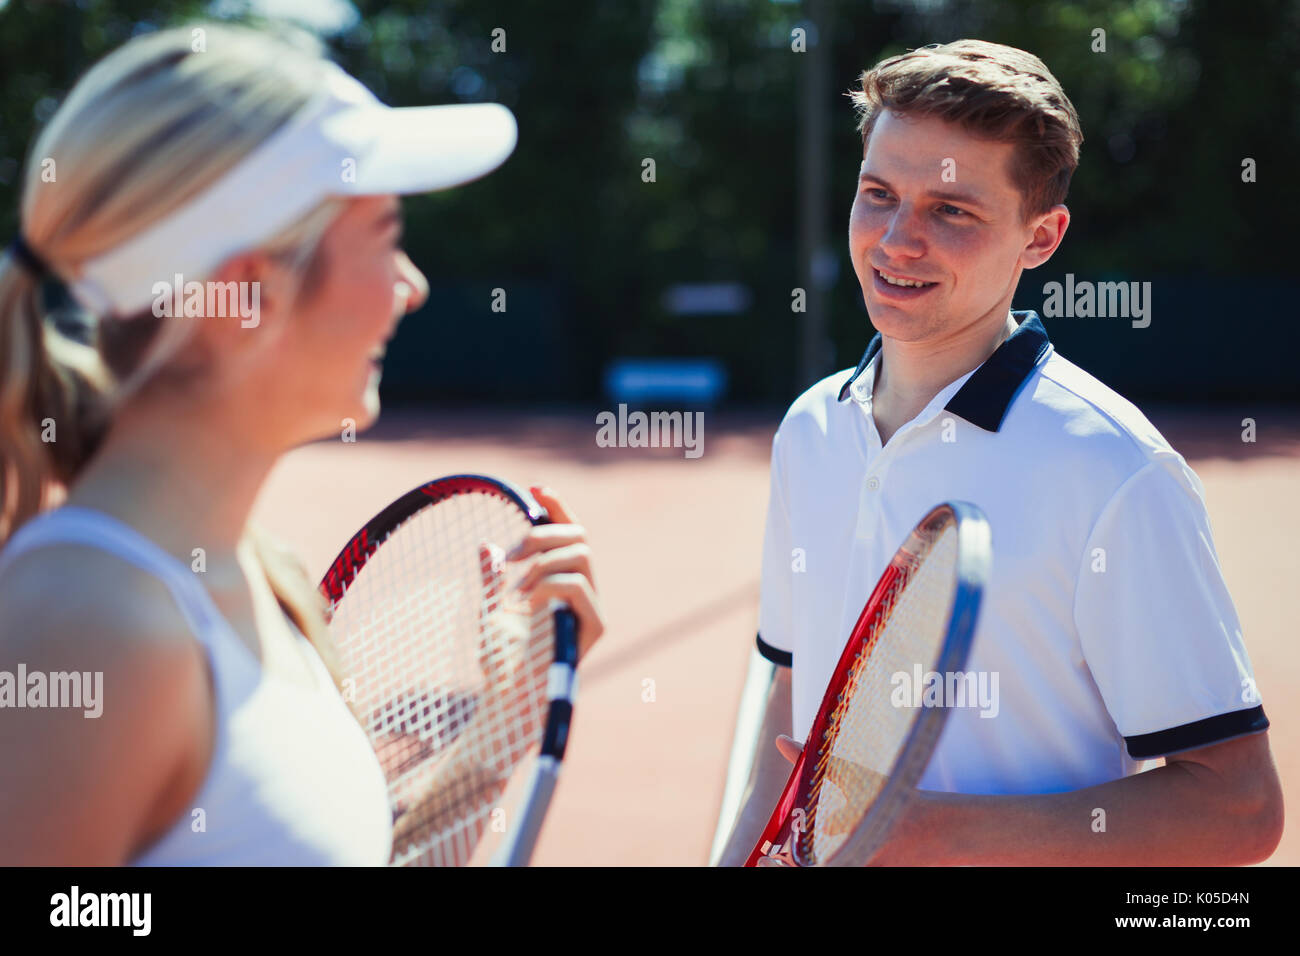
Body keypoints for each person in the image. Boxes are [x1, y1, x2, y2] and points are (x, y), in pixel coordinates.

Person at [0, 22, 605, 865]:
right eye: (385, 239)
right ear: (249, 296)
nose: (413, 287)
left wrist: (499, 728)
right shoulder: (88, 623)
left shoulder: (260, 572)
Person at [714, 39, 1282, 866]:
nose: (897, 239)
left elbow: (1237, 807)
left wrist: (924, 833)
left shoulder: (1113, 467)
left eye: (952, 211)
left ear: (1041, 237)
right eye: (879, 194)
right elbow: (796, 705)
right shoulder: (811, 428)